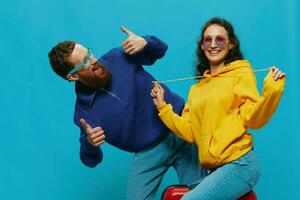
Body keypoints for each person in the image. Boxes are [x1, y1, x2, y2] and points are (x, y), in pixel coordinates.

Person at [48, 26, 206, 200]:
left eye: (89, 53)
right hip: (148, 151)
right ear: (73, 76)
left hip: (182, 127)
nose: (92, 60)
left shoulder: (117, 57)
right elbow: (90, 160)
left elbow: (160, 50)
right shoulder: (84, 113)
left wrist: (146, 42)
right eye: (84, 62)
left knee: (203, 193)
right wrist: (90, 143)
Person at [151, 17, 286, 199]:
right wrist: (163, 108)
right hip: (215, 170)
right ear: (202, 45)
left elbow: (254, 119)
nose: (213, 45)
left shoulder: (240, 74)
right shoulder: (197, 90)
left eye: (220, 39)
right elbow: (191, 132)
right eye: (208, 39)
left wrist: (272, 91)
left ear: (231, 44)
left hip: (241, 164)